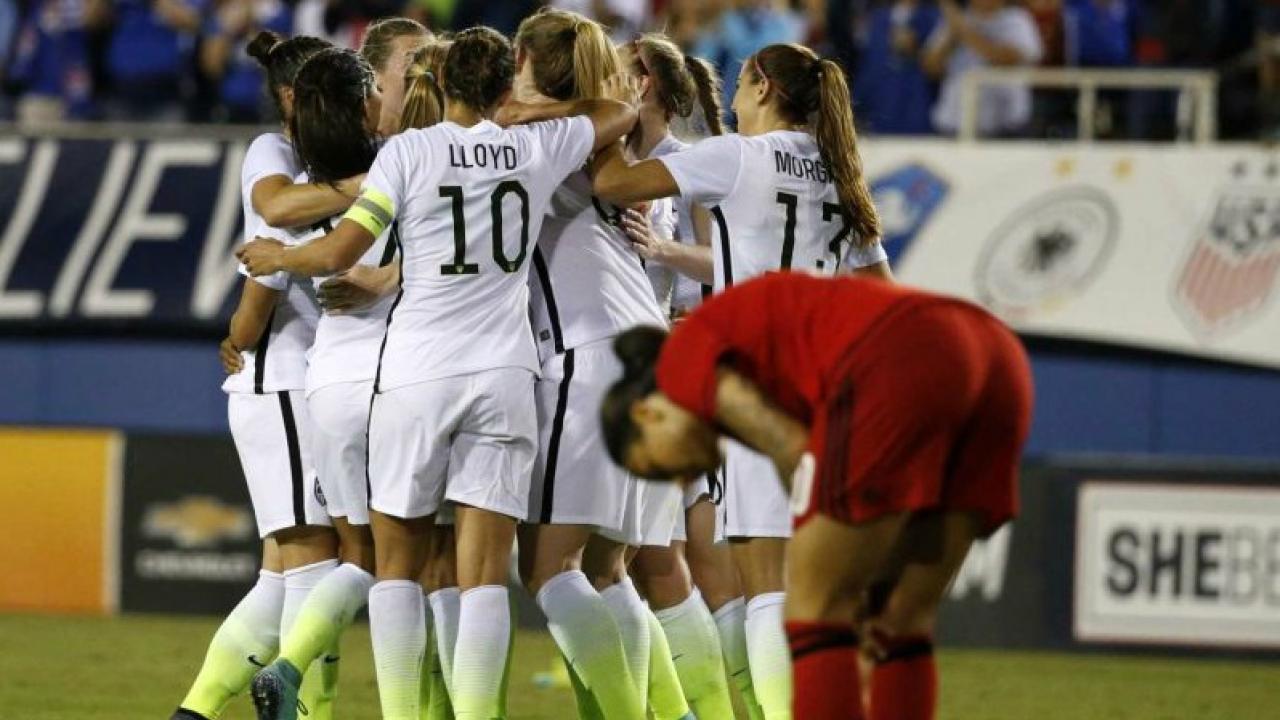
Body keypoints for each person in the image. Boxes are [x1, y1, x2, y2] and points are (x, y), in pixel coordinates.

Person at [237, 26, 639, 719]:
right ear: (505, 82)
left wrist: (280, 258)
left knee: (396, 565)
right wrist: (528, 114)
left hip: (419, 374)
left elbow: (340, 251)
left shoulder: (408, 152)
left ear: (444, 82)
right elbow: (618, 114)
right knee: (484, 575)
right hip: (507, 374)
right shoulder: (532, 147)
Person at [590, 42, 891, 720]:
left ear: (760, 85)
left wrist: (613, 117)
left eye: (740, 81)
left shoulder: (737, 157)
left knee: (766, 590)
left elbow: (612, 185)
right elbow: (881, 296)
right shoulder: (841, 173)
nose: (730, 95)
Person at [600, 271, 1034, 720]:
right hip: (994, 355)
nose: (675, 480)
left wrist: (825, 555)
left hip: (902, 354)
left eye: (656, 467)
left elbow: (790, 446)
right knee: (900, 620)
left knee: (813, 604)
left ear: (646, 413)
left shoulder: (679, 362)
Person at [245, 44, 450, 720]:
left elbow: (275, 216)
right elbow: (440, 260)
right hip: (399, 375)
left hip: (327, 380)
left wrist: (283, 259)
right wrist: (387, 277)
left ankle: (288, 662)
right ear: (366, 99)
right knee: (426, 565)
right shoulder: (407, 160)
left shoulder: (300, 181)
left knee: (360, 558)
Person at [168, 32, 348, 720]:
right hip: (280, 374)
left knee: (285, 571)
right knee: (314, 561)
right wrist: (241, 335)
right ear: (296, 97)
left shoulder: (329, 157)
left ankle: (194, 713)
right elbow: (266, 256)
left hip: (301, 375)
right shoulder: (272, 153)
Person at [508, 9, 661, 720]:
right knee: (608, 569)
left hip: (587, 349)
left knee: (548, 570)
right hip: (651, 352)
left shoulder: (532, 132)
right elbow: (612, 110)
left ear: (523, 59)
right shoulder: (602, 132)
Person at [615, 31, 739, 720]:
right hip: (624, 373)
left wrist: (664, 250)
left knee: (684, 557)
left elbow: (726, 265)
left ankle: (715, 707)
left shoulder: (689, 166)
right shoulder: (603, 159)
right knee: (638, 557)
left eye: (622, 73)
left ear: (649, 85)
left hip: (675, 369)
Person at [923, 0, 1044, 137]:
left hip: (1006, 127)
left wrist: (964, 31)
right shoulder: (955, 21)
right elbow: (931, 67)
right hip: (955, 124)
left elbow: (1007, 58)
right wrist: (952, 36)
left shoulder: (1017, 20)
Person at [852, 0, 941, 135]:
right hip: (879, 115)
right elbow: (869, 69)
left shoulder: (934, 17)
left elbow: (938, 70)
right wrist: (854, 110)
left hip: (919, 116)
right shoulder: (878, 18)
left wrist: (916, 51)